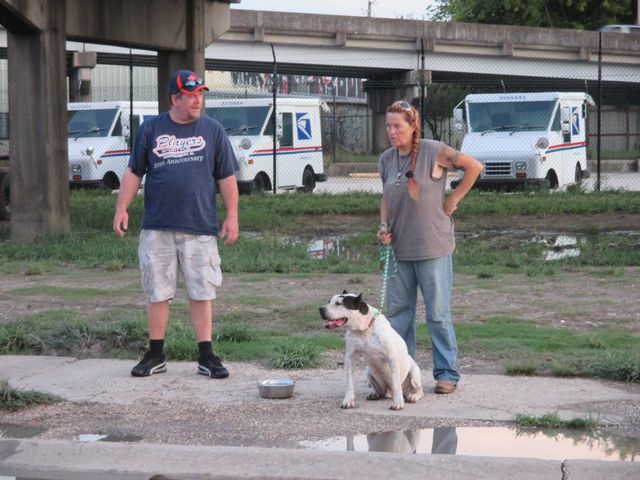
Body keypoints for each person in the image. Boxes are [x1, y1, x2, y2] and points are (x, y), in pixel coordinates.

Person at [113, 69, 239, 379]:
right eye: (191, 95)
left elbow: (226, 176)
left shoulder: (212, 130)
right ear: (174, 98)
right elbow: (134, 171)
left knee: (202, 291)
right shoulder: (151, 128)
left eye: (200, 95)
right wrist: (122, 208)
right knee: (157, 291)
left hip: (200, 226)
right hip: (158, 226)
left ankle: (206, 356)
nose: (197, 100)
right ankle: (155, 354)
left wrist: (232, 215)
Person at [377, 100, 483, 394]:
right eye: (388, 126)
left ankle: (446, 373)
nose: (392, 132)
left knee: (437, 314)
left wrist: (453, 200)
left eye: (398, 126)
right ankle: (402, 375)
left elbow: (474, 167)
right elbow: (386, 197)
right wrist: (383, 226)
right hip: (399, 249)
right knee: (398, 315)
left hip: (433, 247)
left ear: (413, 126)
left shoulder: (433, 150)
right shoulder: (386, 159)